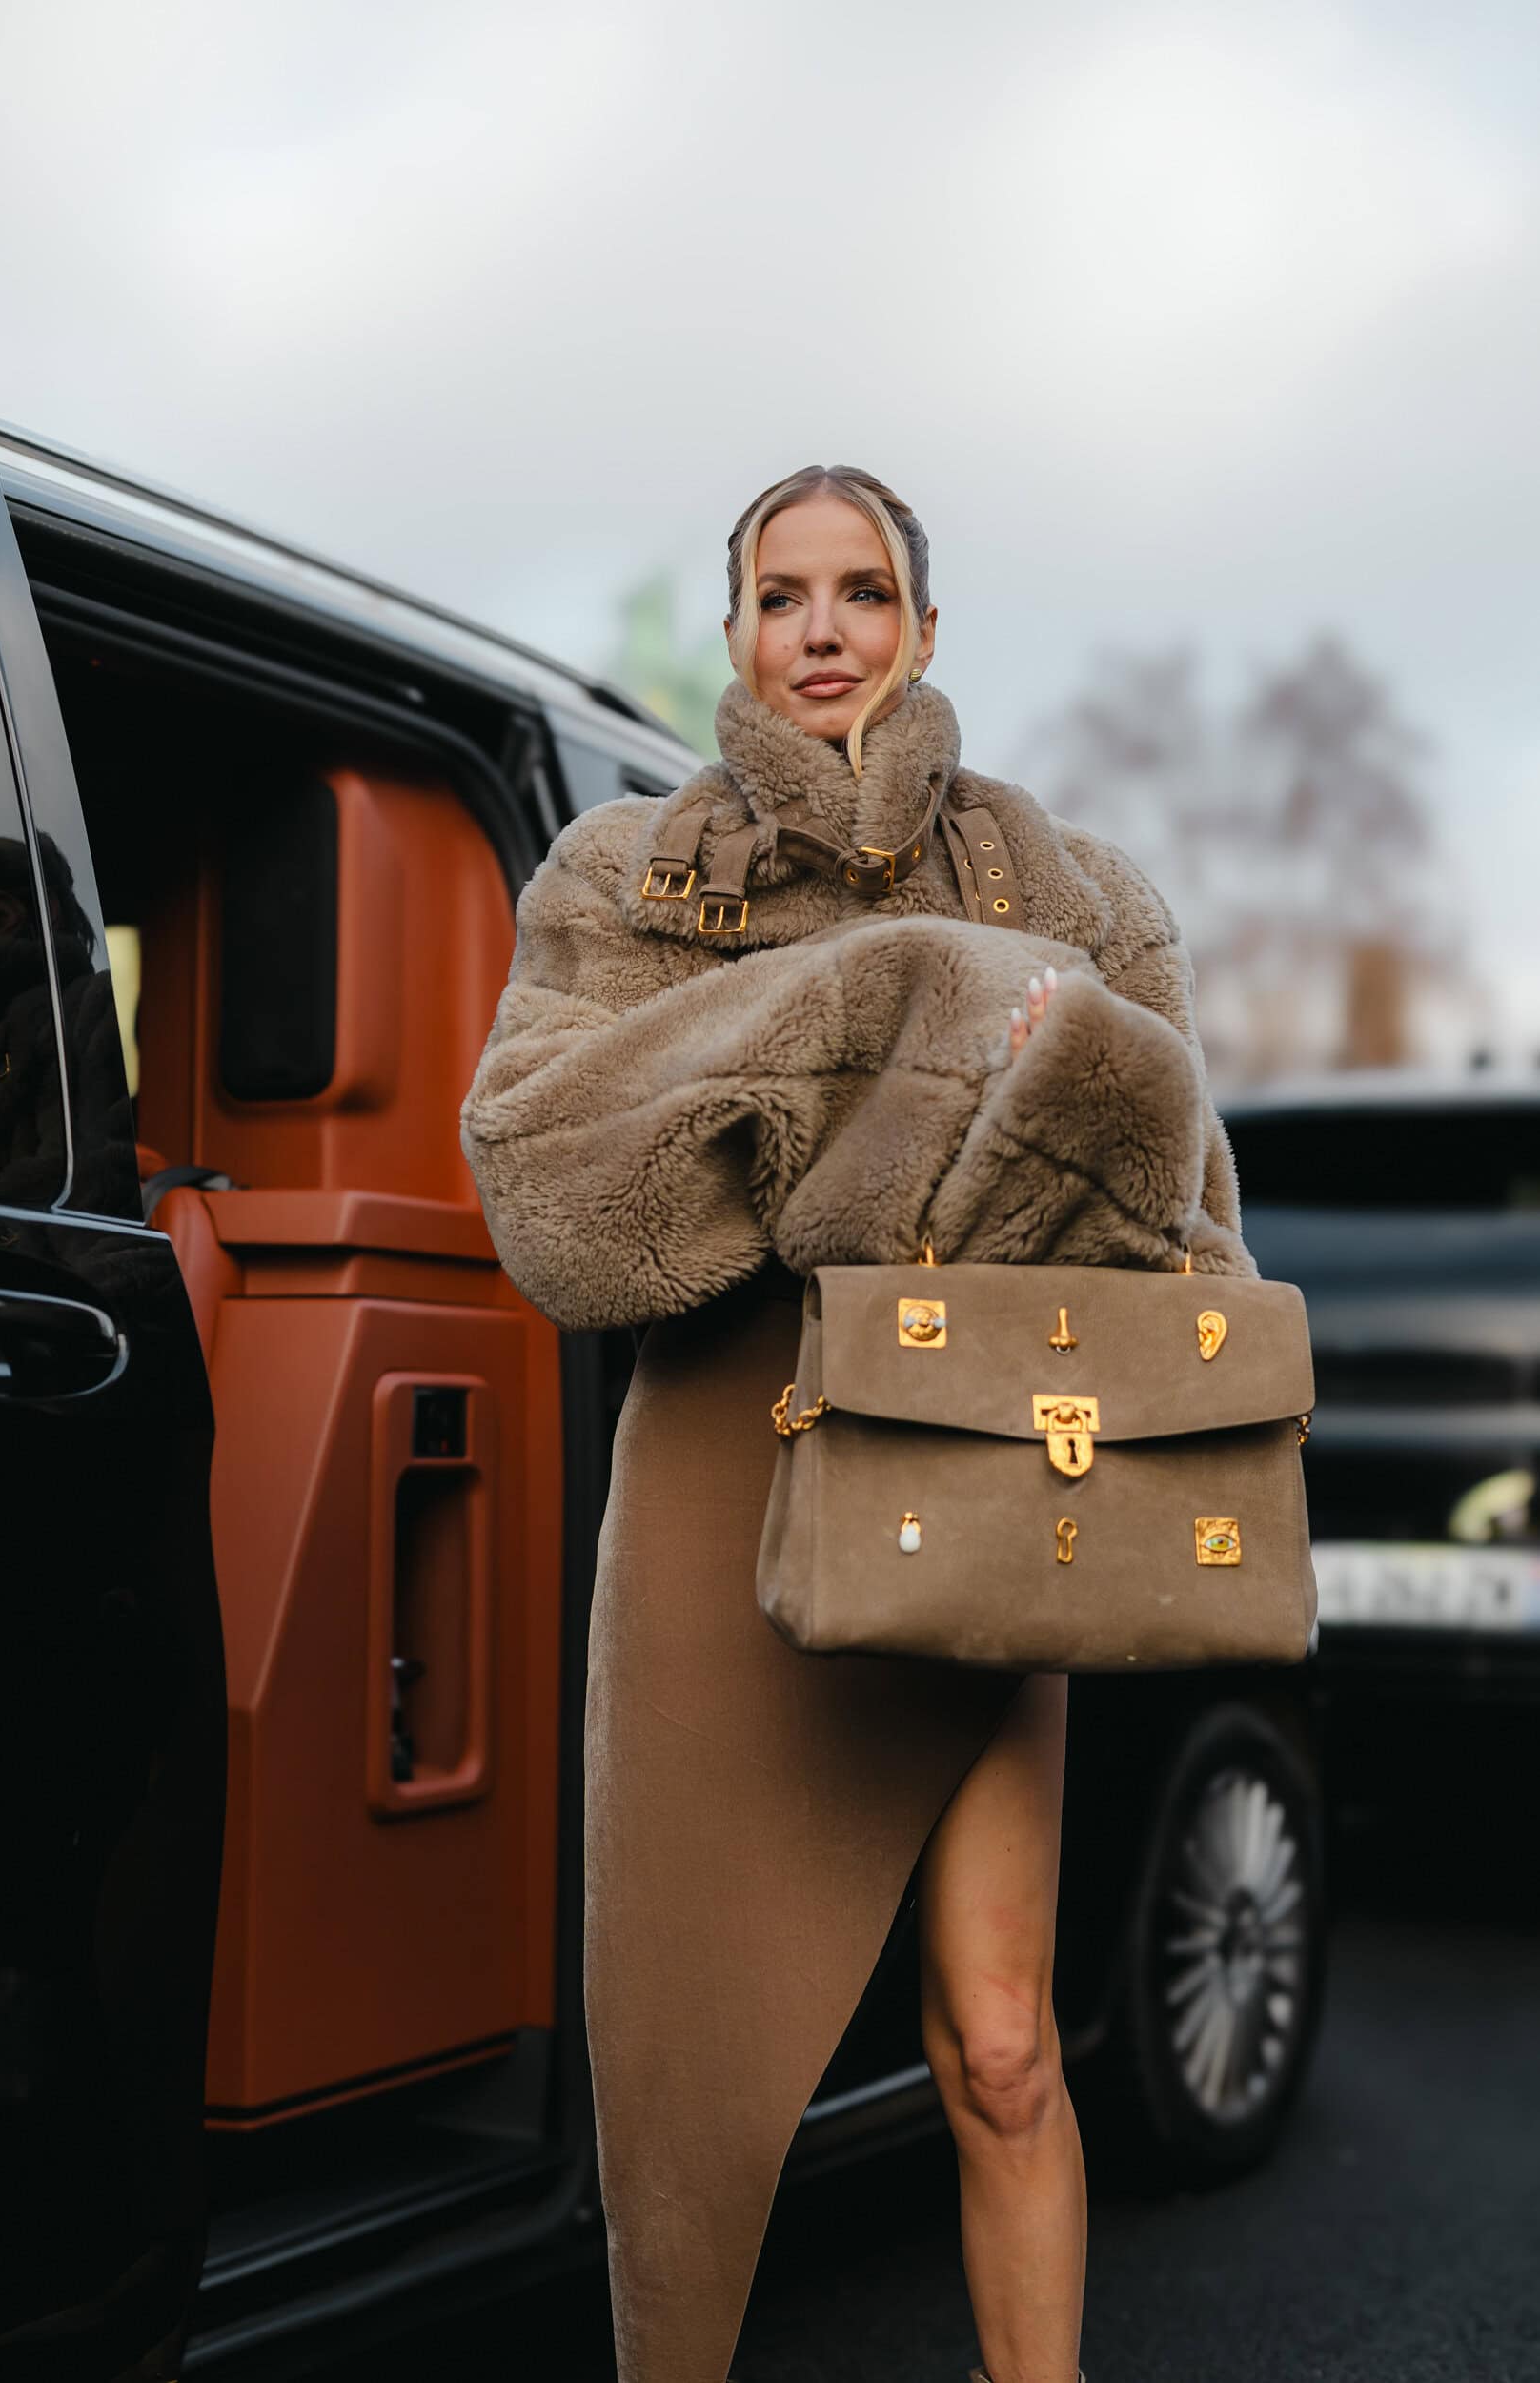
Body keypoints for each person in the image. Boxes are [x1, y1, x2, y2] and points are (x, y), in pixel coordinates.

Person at [460, 465, 1252, 2383]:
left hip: (995, 1469)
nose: (824, 628)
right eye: (784, 592)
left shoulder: (1070, 883)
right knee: (691, 2107)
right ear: (736, 628)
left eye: (865, 591)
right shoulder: (625, 871)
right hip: (730, 1479)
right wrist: (902, 1025)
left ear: (922, 624)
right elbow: (553, 1182)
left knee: (1000, 2043)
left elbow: (1186, 1201)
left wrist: (984, 1084)